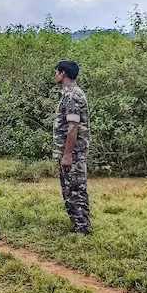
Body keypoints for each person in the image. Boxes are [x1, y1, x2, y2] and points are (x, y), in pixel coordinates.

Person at [54, 60, 92, 235]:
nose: (55, 75)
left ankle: (82, 229)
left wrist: (67, 154)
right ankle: (78, 226)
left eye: (57, 72)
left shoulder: (72, 96)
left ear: (63, 74)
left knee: (75, 190)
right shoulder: (69, 94)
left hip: (74, 154)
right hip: (71, 153)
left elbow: (73, 126)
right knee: (70, 190)